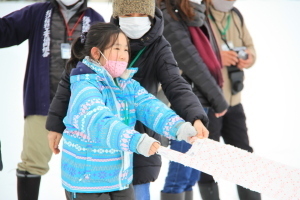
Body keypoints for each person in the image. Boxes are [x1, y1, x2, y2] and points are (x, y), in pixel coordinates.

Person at [46, 0, 210, 199]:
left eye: (126, 50)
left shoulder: (128, 80)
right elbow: (97, 119)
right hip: (88, 179)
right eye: (117, 49)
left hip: (129, 160)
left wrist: (182, 126)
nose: (123, 55)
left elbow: (152, 105)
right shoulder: (88, 78)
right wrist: (55, 124)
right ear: (97, 53)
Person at [0, 1, 104, 199]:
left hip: (84, 107)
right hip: (43, 104)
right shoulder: (38, 12)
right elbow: (6, 30)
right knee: (32, 163)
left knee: (89, 166)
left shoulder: (96, 19)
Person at [157, 0, 229, 199]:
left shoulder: (196, 15)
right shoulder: (170, 15)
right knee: (180, 172)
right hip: (185, 101)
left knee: (193, 171)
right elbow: (192, 63)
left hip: (201, 102)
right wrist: (218, 98)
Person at [197, 0, 261, 199]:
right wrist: (216, 57)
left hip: (233, 102)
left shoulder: (235, 16)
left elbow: (250, 48)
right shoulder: (197, 16)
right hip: (208, 103)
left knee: (244, 156)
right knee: (207, 161)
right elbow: (186, 57)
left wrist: (249, 58)